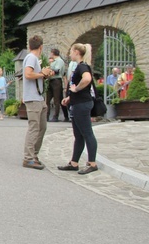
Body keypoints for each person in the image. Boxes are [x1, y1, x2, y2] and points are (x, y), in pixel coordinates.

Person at [58, 43, 99, 174]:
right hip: (77, 104)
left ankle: (92, 163)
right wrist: (70, 97)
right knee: (78, 135)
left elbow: (87, 79)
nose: (69, 53)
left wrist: (76, 89)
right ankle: (74, 163)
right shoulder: (79, 67)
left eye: (71, 51)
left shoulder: (82, 66)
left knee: (87, 133)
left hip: (82, 105)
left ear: (76, 52)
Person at [22, 35, 54, 170]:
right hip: (33, 98)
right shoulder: (31, 58)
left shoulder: (34, 59)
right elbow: (28, 74)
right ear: (41, 47)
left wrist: (44, 74)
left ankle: (34, 155)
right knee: (34, 128)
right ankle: (28, 158)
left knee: (42, 127)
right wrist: (42, 73)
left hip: (39, 98)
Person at [46, 48, 66, 122]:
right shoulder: (53, 61)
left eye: (51, 53)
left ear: (53, 53)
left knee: (56, 99)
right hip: (50, 80)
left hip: (56, 80)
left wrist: (50, 66)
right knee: (47, 99)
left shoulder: (59, 61)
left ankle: (55, 116)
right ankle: (46, 115)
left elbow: (57, 70)